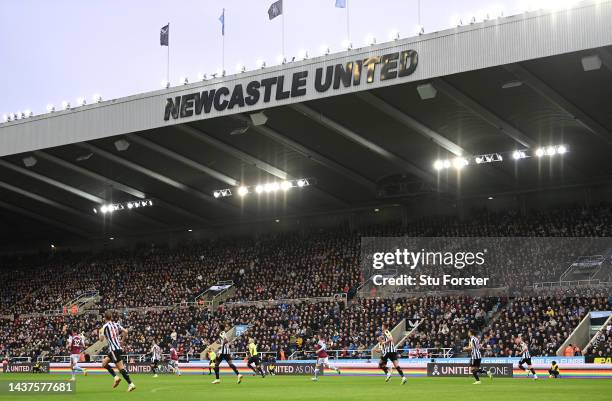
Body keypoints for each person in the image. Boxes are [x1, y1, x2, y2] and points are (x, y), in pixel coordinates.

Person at [99, 311, 136, 392]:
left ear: (105, 318)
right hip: (117, 348)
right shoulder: (116, 324)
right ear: (111, 317)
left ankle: (131, 384)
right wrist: (122, 341)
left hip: (113, 350)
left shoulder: (104, 327)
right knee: (104, 363)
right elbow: (126, 331)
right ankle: (116, 378)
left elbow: (101, 340)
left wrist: (100, 333)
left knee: (121, 368)